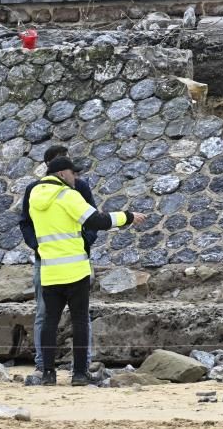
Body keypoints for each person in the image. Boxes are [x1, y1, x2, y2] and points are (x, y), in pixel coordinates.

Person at [25, 156, 139, 386]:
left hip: (49, 271)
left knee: (49, 322)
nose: (76, 177)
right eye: (73, 172)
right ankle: (79, 373)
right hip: (75, 271)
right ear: (61, 174)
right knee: (79, 321)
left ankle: (48, 374)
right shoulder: (68, 195)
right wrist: (127, 217)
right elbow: (95, 220)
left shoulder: (34, 196)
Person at [20, 146, 100, 385]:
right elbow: (26, 222)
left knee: (79, 317)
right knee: (45, 315)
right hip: (47, 261)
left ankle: (80, 368)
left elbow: (92, 218)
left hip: (74, 259)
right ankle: (44, 367)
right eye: (62, 162)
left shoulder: (79, 186)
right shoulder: (34, 190)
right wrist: (38, 246)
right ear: (51, 167)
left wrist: (85, 241)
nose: (70, 169)